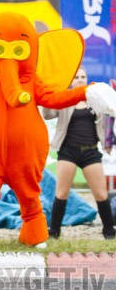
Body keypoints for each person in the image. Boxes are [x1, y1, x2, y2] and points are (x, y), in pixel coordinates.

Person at [42, 67, 115, 240]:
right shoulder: (65, 98)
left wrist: (108, 141)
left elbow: (110, 112)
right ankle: (54, 231)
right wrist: (46, 97)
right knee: (61, 193)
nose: (80, 80)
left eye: (83, 77)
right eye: (77, 77)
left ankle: (109, 231)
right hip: (68, 151)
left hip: (90, 151)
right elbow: (48, 114)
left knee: (101, 194)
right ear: (71, 81)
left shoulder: (95, 99)